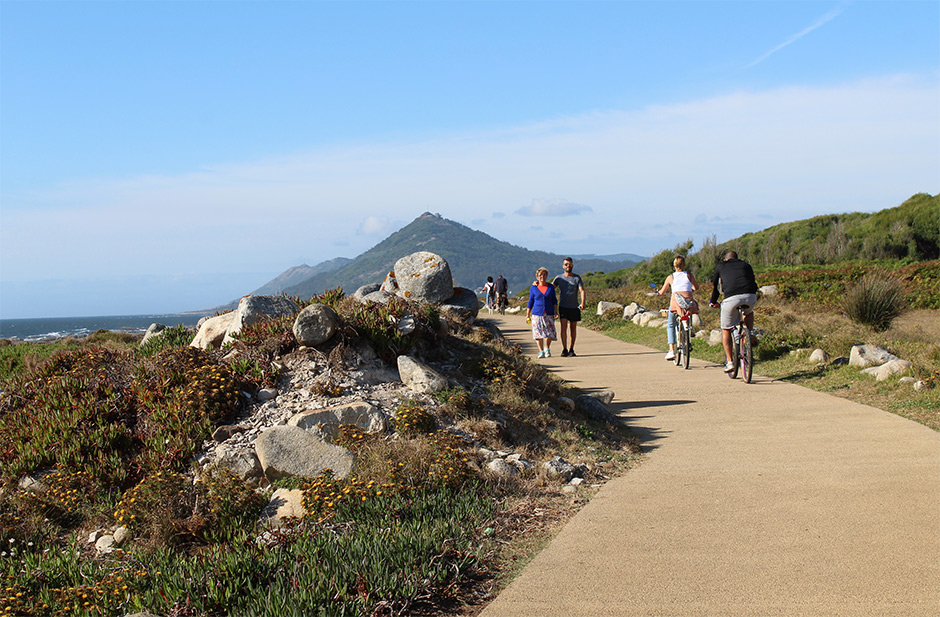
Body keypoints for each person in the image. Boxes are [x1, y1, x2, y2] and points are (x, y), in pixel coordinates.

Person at [708, 251, 758, 373]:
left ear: (725, 260)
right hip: (750, 296)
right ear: (737, 258)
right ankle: (749, 333)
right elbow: (753, 283)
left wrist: (713, 301)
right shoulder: (746, 265)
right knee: (748, 312)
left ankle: (730, 362)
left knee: (726, 329)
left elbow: (715, 287)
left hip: (731, 299)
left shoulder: (721, 266)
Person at [657, 255, 700, 361]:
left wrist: (658, 292)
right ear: (684, 265)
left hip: (676, 303)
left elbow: (662, 292)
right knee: (687, 311)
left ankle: (671, 350)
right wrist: (691, 288)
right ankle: (690, 327)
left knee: (671, 324)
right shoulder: (689, 275)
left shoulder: (670, 277)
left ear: (674, 265)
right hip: (688, 303)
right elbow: (696, 287)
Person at [552, 257, 586, 357]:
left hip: (574, 307)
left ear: (572, 265)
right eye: (566, 264)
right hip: (563, 306)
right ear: (563, 266)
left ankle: (571, 348)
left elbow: (582, 290)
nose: (568, 266)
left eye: (570, 264)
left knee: (573, 328)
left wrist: (582, 303)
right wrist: (537, 284)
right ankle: (564, 349)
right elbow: (550, 288)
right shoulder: (559, 278)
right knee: (563, 328)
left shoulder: (577, 278)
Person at [526, 267, 558, 358]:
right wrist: (527, 314)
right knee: (537, 333)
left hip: (549, 312)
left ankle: (547, 348)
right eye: (540, 275)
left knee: (549, 332)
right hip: (537, 313)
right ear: (537, 277)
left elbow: (554, 300)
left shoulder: (551, 287)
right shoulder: (533, 287)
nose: (542, 276)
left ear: (547, 276)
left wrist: (556, 312)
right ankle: (540, 351)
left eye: (544, 275)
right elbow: (530, 301)